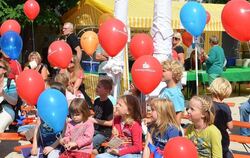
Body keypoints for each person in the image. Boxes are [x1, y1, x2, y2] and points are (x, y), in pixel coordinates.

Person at [208, 77, 233, 158]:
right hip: (222, 138)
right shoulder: (225, 107)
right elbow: (230, 126)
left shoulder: (207, 105)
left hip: (208, 137)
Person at [90, 77, 114, 154]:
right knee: (83, 139)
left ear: (106, 91)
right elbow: (95, 114)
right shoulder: (97, 100)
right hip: (95, 129)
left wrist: (95, 121)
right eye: (97, 86)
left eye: (99, 87)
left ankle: (99, 152)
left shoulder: (108, 104)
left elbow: (110, 123)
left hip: (104, 133)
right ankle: (98, 151)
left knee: (89, 144)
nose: (96, 88)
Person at [159, 60, 185, 124]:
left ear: (174, 73)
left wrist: (175, 129)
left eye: (163, 71)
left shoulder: (175, 93)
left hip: (170, 127)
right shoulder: (163, 90)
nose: (160, 73)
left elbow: (179, 113)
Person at [0, 59, 18, 132]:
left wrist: (3, 94)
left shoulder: (10, 82)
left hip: (6, 110)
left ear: (4, 70)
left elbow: (14, 102)